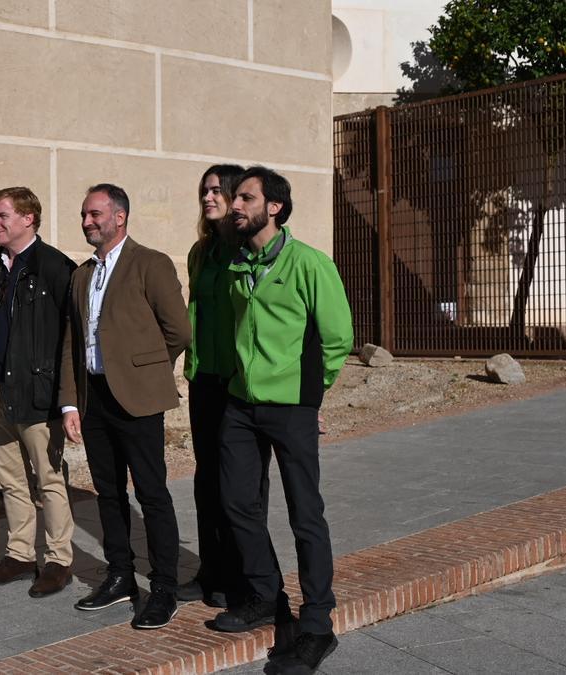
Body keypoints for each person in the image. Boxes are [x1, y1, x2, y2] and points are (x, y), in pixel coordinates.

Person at [213, 167, 353, 674]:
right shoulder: (238, 263)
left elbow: (337, 338)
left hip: (292, 407)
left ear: (274, 206)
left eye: (245, 198)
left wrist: (310, 397)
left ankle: (317, 624)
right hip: (240, 403)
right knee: (236, 501)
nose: (235, 206)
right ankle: (269, 601)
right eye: (236, 198)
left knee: (304, 513)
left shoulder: (309, 263)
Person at [59, 184, 191, 629]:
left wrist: (146, 372)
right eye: (83, 215)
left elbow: (179, 331)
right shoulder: (81, 275)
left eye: (94, 214)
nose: (87, 222)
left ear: (120, 217)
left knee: (152, 495)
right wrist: (70, 403)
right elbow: (71, 344)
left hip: (137, 400)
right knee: (108, 493)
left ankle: (165, 588)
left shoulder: (149, 263)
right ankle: (120, 577)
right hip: (93, 399)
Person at [0, 187, 77, 597]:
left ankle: (58, 560)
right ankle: (18, 555)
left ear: (27, 218)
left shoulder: (56, 267)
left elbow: (70, 334)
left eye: (2, 216)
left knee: (48, 478)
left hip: (37, 392)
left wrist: (65, 395)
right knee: (11, 479)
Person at [177, 164, 251, 608]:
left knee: (238, 484)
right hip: (204, 378)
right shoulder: (199, 252)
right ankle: (210, 571)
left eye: (216, 190)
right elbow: (194, 311)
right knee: (206, 481)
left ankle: (240, 575)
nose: (207, 197)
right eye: (203, 190)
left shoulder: (248, 250)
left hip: (241, 383)